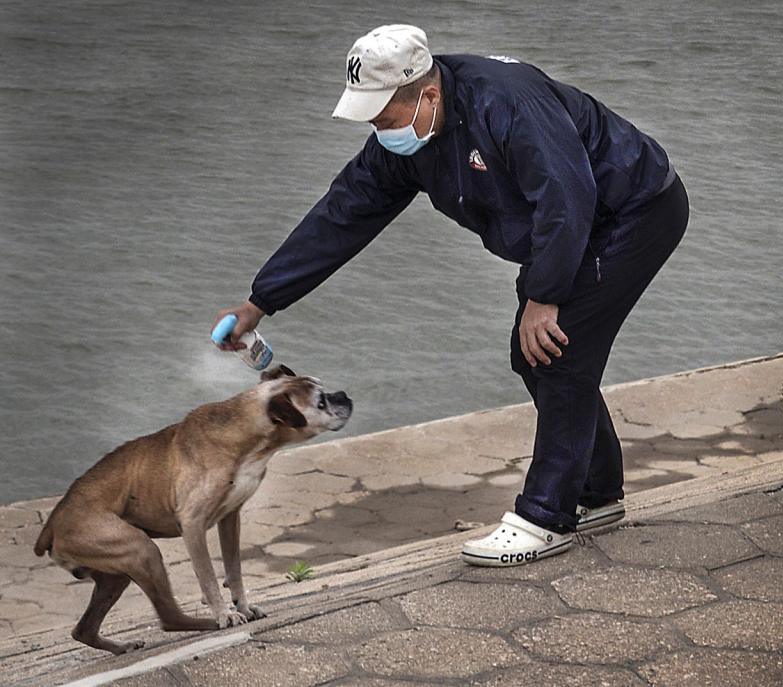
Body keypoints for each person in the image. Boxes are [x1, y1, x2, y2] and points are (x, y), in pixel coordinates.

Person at [214, 24, 688, 567]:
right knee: (532, 355)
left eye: (383, 115)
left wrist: (545, 296)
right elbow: (341, 215)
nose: (377, 128)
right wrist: (260, 300)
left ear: (428, 93)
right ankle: (597, 494)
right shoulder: (407, 141)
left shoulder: (507, 104)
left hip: (630, 211)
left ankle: (546, 516)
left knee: (559, 352)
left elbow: (567, 195)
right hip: (563, 228)